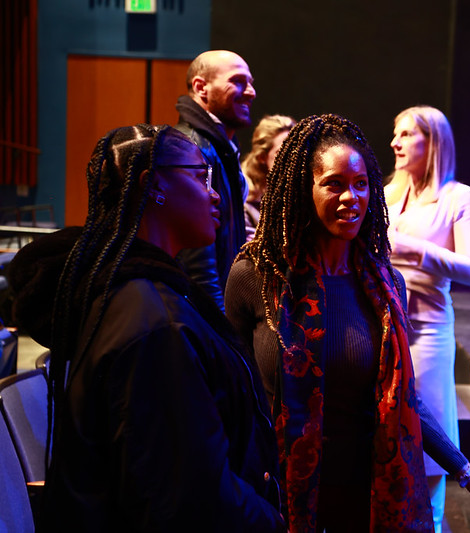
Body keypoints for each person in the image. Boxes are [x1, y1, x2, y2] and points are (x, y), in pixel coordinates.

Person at [225, 114, 470, 532]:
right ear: (304, 189)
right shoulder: (256, 276)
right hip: (279, 491)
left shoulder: (386, 284)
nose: (351, 197)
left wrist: (468, 472)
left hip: (364, 490)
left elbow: (403, 398)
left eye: (360, 184)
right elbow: (233, 392)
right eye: (334, 183)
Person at [6, 125, 284, 531]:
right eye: (199, 175)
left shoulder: (145, 296)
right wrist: (273, 522)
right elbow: (189, 494)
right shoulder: (154, 321)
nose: (214, 194)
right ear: (152, 184)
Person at [384, 105, 470, 531]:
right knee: (384, 433)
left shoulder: (457, 196)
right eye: (395, 133)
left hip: (427, 330)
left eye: (407, 134)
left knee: (428, 441)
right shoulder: (387, 192)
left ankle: (433, 524)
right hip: (382, 324)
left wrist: (411, 249)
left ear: (434, 142)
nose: (395, 143)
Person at [175, 50, 256, 310]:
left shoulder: (220, 146)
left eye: (251, 82)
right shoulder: (191, 147)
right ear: (201, 87)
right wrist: (222, 327)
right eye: (238, 81)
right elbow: (198, 261)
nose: (251, 92)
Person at [241, 114, 296, 239]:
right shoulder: (245, 200)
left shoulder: (300, 192)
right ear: (262, 157)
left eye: (294, 150)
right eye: (281, 152)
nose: (292, 157)